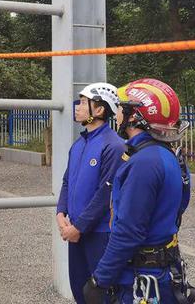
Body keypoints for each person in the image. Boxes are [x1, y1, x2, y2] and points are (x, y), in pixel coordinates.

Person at [83, 78, 195, 304]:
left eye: (120, 109)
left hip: (143, 278)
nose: (116, 114)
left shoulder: (144, 162)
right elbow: (180, 205)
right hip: (163, 272)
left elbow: (129, 230)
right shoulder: (167, 154)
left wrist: (100, 280)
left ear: (134, 116)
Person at [56, 83, 125, 304]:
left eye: (84, 103)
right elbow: (67, 181)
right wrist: (60, 213)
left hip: (99, 234)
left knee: (101, 294)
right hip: (75, 231)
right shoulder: (79, 144)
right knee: (80, 290)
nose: (77, 107)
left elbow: (105, 194)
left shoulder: (114, 146)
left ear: (100, 110)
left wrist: (78, 227)